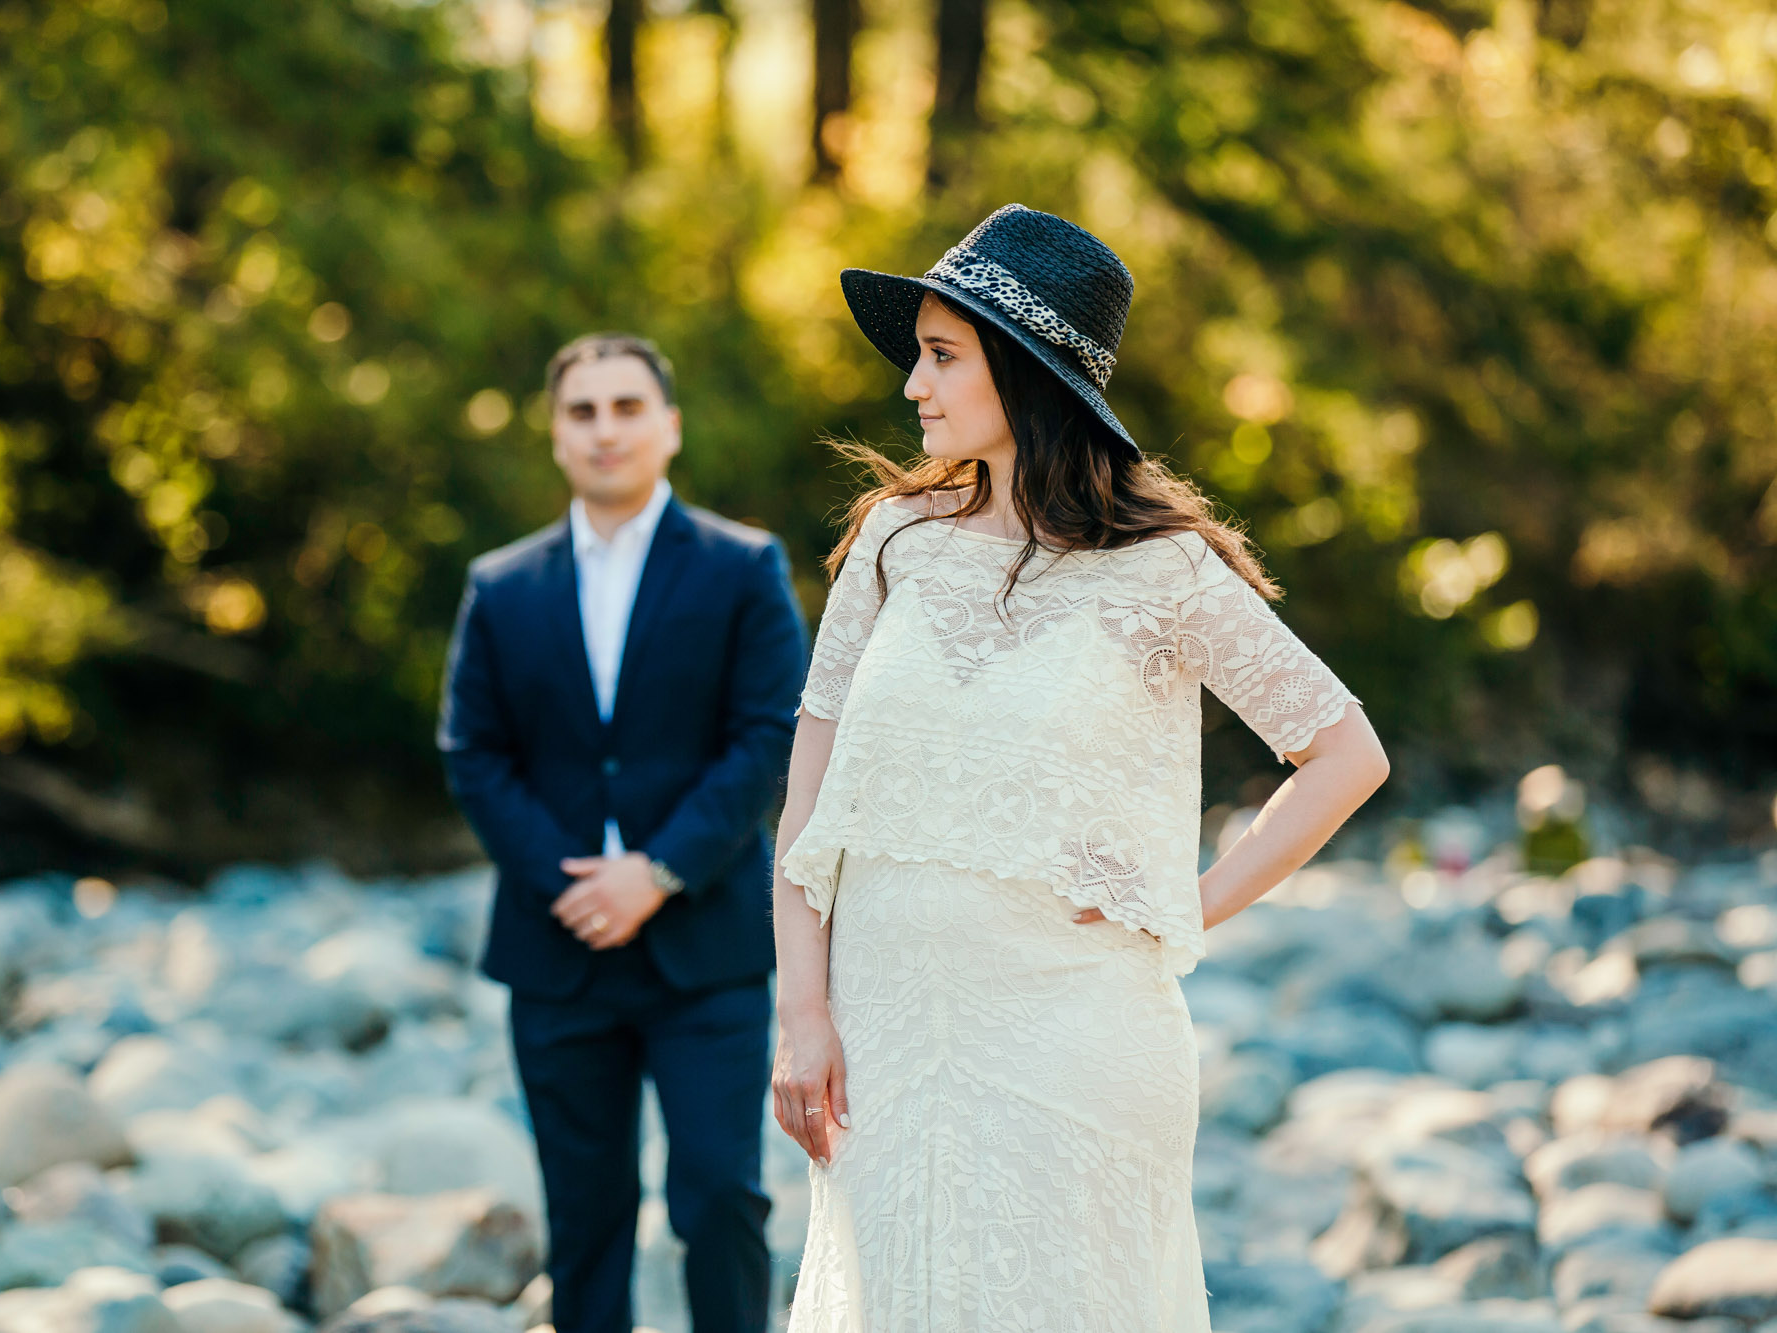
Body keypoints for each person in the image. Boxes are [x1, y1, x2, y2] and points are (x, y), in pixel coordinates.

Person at [771, 204, 1391, 1328]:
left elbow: (1343, 754)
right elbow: (807, 791)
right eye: (917, 354)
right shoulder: (891, 541)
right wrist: (801, 1011)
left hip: (1077, 1039)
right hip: (886, 1038)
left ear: (1022, 370)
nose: (912, 383)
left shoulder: (1163, 570)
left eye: (942, 355)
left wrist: (1183, 909)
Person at [438, 332, 808, 1333]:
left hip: (705, 947)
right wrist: (569, 883)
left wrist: (657, 871)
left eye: (627, 407)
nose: (606, 430)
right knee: (586, 1215)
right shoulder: (501, 586)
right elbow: (472, 751)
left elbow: (768, 736)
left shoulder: (740, 567)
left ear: (669, 426)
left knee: (719, 1196)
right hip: (556, 951)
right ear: (556, 434)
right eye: (583, 411)